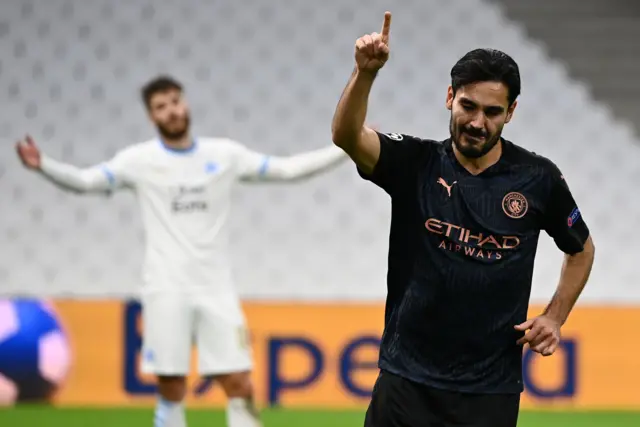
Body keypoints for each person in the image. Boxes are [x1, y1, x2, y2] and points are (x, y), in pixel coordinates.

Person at [16, 75, 348, 427]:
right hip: (166, 289)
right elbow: (86, 182)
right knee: (172, 386)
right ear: (151, 117)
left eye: (175, 101)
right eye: (161, 107)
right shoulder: (138, 161)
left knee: (239, 383)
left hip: (216, 289)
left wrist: (345, 147)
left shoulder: (224, 155)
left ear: (185, 104)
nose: (171, 111)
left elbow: (287, 170)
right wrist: (44, 166)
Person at [331, 11, 595, 427]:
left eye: (492, 111)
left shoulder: (538, 178)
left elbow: (581, 250)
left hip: (489, 392)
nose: (476, 122)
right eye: (468, 106)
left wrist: (555, 316)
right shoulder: (414, 162)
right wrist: (365, 73)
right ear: (449, 96)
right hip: (405, 382)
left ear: (511, 112)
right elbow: (347, 136)